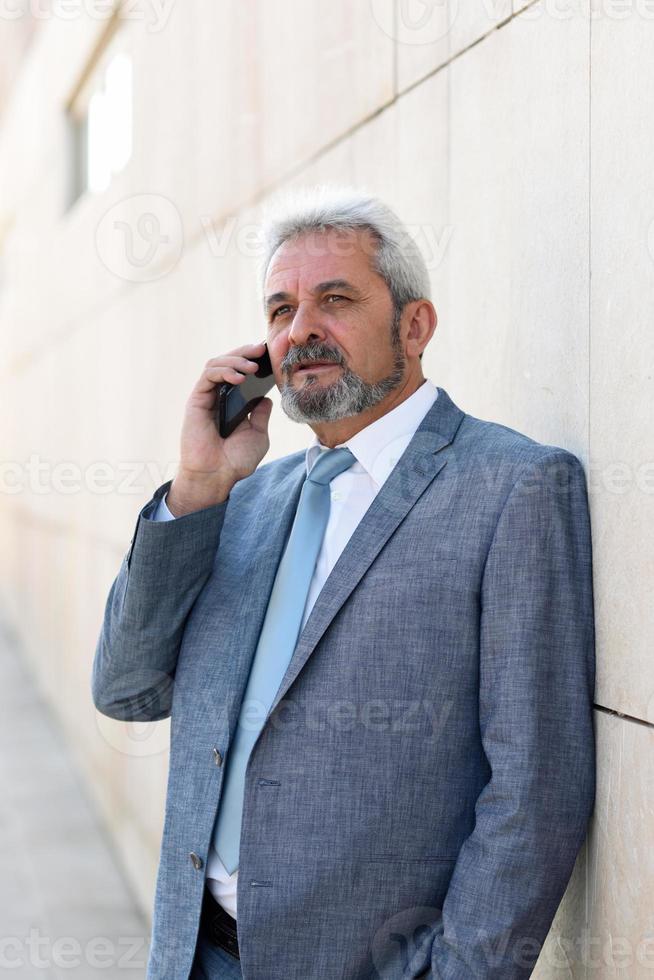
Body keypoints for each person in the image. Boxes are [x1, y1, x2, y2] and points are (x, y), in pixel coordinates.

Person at [92, 185, 596, 980]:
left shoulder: (513, 490)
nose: (301, 332)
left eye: (335, 299)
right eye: (279, 310)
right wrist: (193, 489)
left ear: (415, 325)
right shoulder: (241, 499)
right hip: (195, 955)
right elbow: (126, 689)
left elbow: (538, 792)